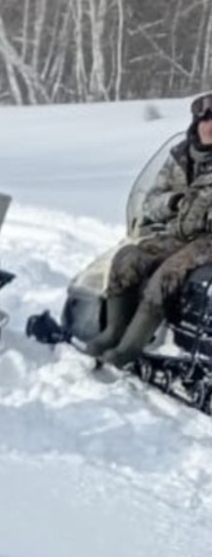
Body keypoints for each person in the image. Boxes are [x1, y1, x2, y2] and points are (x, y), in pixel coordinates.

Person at [89, 91, 212, 366]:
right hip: (177, 233)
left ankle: (131, 346)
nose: (210, 126)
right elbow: (151, 201)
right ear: (196, 122)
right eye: (205, 119)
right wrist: (173, 202)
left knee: (168, 273)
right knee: (127, 258)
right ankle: (113, 332)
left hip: (207, 241)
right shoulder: (180, 157)